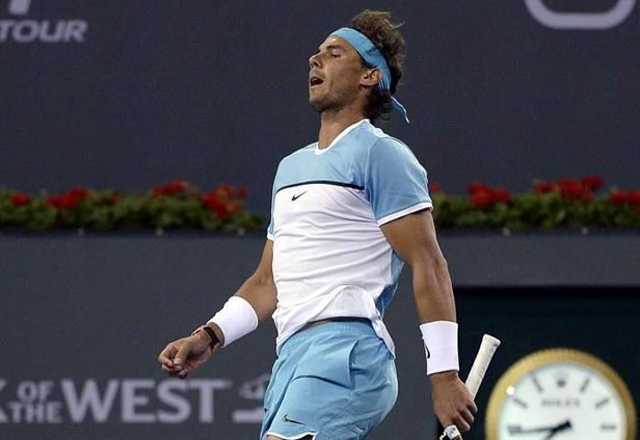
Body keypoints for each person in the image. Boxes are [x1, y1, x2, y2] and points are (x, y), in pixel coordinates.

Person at [158, 10, 477, 440]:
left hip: (347, 354)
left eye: (334, 53)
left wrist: (444, 376)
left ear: (369, 76)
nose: (315, 59)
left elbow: (429, 263)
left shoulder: (382, 154)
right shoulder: (290, 168)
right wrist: (210, 336)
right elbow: (267, 281)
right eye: (317, 52)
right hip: (291, 359)